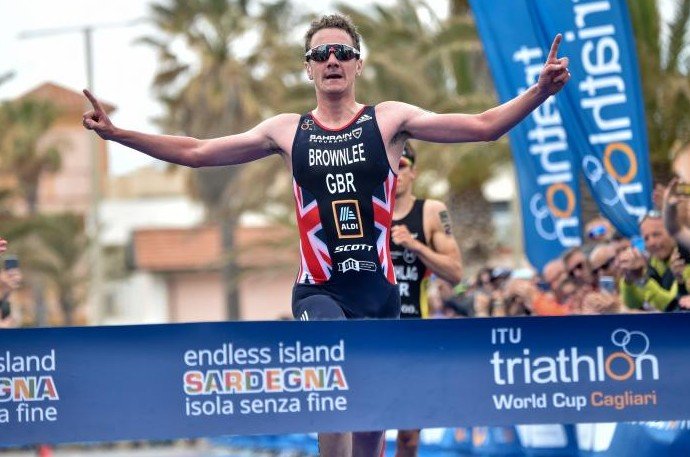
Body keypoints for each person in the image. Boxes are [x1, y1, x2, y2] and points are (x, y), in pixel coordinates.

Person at [82, 13, 570, 457]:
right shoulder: (286, 131)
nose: (332, 60)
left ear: (358, 65)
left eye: (342, 53)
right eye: (321, 54)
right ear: (308, 68)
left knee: (371, 430)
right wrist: (119, 134)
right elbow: (196, 151)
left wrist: (539, 93)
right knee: (333, 361)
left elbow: (484, 127)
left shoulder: (389, 120)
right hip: (319, 289)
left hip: (379, 295)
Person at [389, 143, 462, 456]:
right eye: (392, 165)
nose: (397, 173)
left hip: (412, 334)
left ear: (413, 172)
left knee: (409, 435)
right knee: (363, 428)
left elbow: (456, 273)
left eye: (403, 165)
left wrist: (414, 246)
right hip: (369, 334)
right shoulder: (365, 212)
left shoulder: (431, 211)